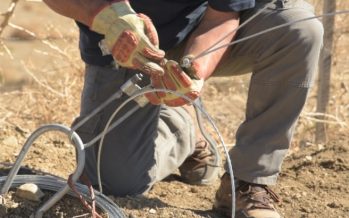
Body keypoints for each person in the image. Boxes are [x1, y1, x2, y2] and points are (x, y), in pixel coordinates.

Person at [43, 0, 323, 217]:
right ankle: (183, 129)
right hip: (122, 44)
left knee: (299, 28)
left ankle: (249, 181)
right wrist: (105, 17)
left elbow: (221, 16)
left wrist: (193, 73)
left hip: (203, 32)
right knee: (111, 181)